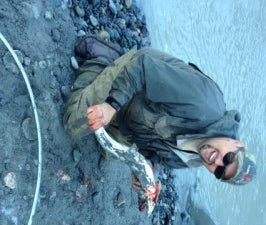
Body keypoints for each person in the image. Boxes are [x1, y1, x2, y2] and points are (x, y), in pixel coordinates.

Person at [63, 36, 256, 187]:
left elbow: (155, 153)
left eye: (220, 172)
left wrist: (148, 172)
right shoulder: (201, 104)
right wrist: (110, 105)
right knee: (73, 125)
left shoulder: (196, 159)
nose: (217, 162)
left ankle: (109, 96)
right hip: (135, 74)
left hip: (134, 118)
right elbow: (142, 68)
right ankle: (103, 60)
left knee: (109, 152)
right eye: (228, 158)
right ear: (236, 143)